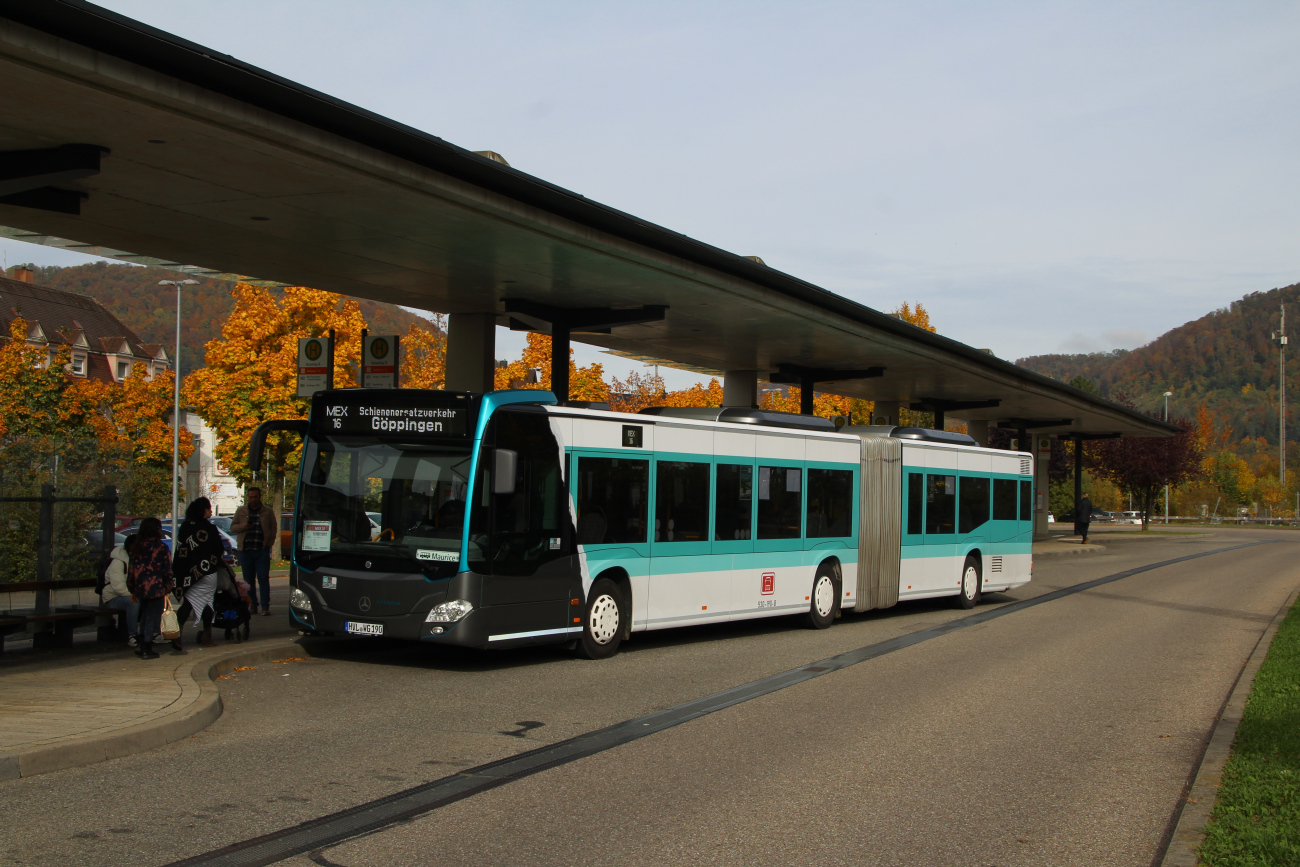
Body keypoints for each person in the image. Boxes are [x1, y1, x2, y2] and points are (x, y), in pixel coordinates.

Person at [173, 497, 225, 648]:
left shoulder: (185, 527)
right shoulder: (209, 528)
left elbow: (181, 550)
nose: (210, 511)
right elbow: (218, 549)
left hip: (188, 573)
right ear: (204, 510)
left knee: (188, 603)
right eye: (209, 508)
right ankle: (206, 636)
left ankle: (177, 634)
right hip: (207, 572)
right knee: (207, 602)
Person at [128, 518, 174, 660]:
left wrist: (132, 588)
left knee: (144, 615)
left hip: (141, 587)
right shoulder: (160, 548)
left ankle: (142, 645)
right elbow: (167, 569)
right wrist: (168, 585)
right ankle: (147, 647)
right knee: (152, 617)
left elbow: (131, 570)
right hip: (156, 586)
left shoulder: (136, 547)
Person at [230, 487, 276, 616]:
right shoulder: (241, 511)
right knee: (248, 580)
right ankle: (252, 605)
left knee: (263, 578)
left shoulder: (267, 511)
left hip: (261, 550)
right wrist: (242, 527)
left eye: (255, 497)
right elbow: (233, 527)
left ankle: (265, 606)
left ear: (259, 497)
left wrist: (268, 544)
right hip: (246, 550)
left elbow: (273, 528)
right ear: (248, 498)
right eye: (251, 497)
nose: (253, 499)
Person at [100, 534, 139, 648]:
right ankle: (133, 635)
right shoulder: (118, 562)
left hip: (129, 594)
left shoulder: (137, 559)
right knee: (133, 602)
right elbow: (118, 588)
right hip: (112, 597)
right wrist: (135, 595)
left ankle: (152, 633)